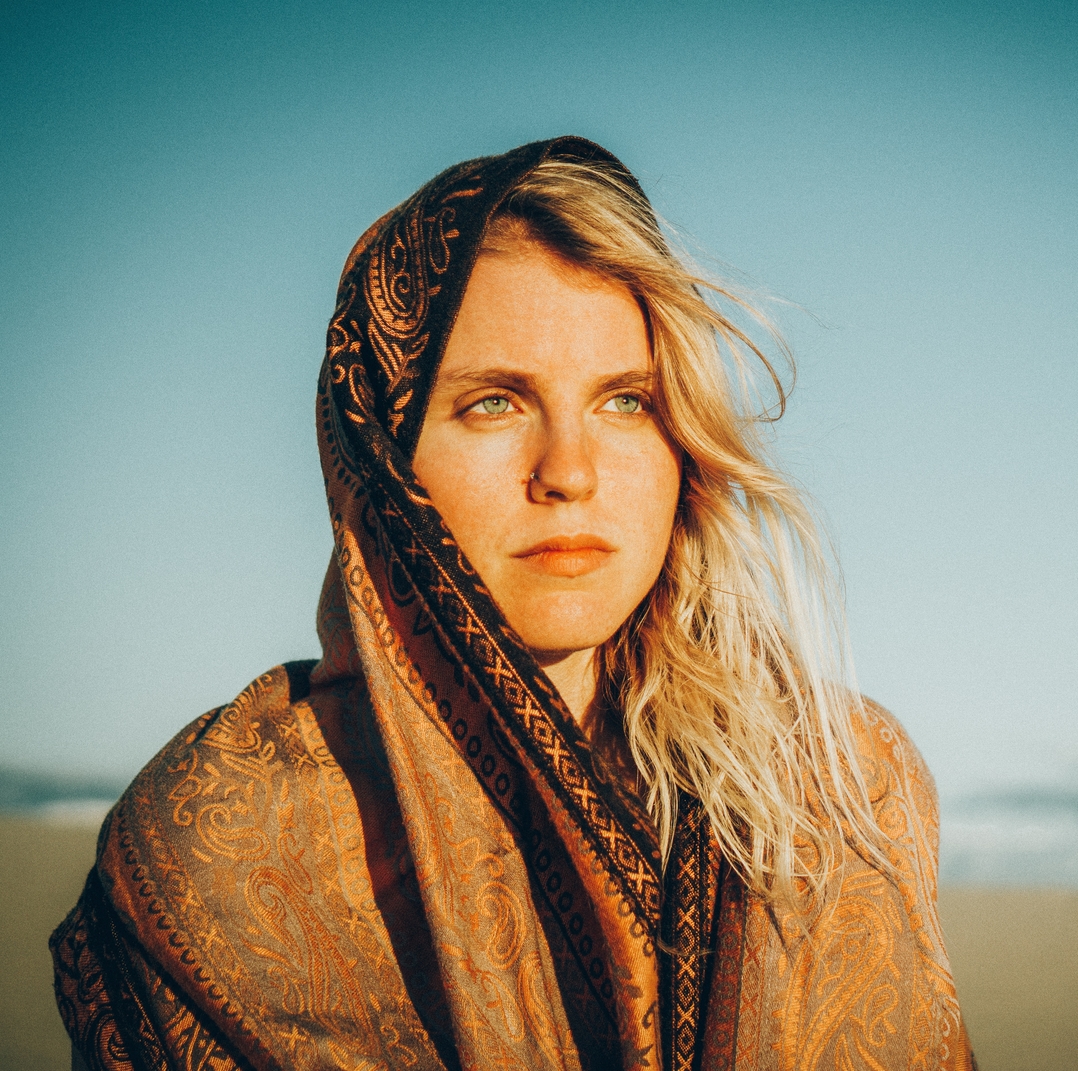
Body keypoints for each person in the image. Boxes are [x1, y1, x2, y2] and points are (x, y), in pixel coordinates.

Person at [50, 136, 973, 1071]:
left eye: (625, 402)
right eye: (494, 402)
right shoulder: (215, 844)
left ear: (683, 443)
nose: (569, 472)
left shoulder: (846, 785)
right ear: (383, 458)